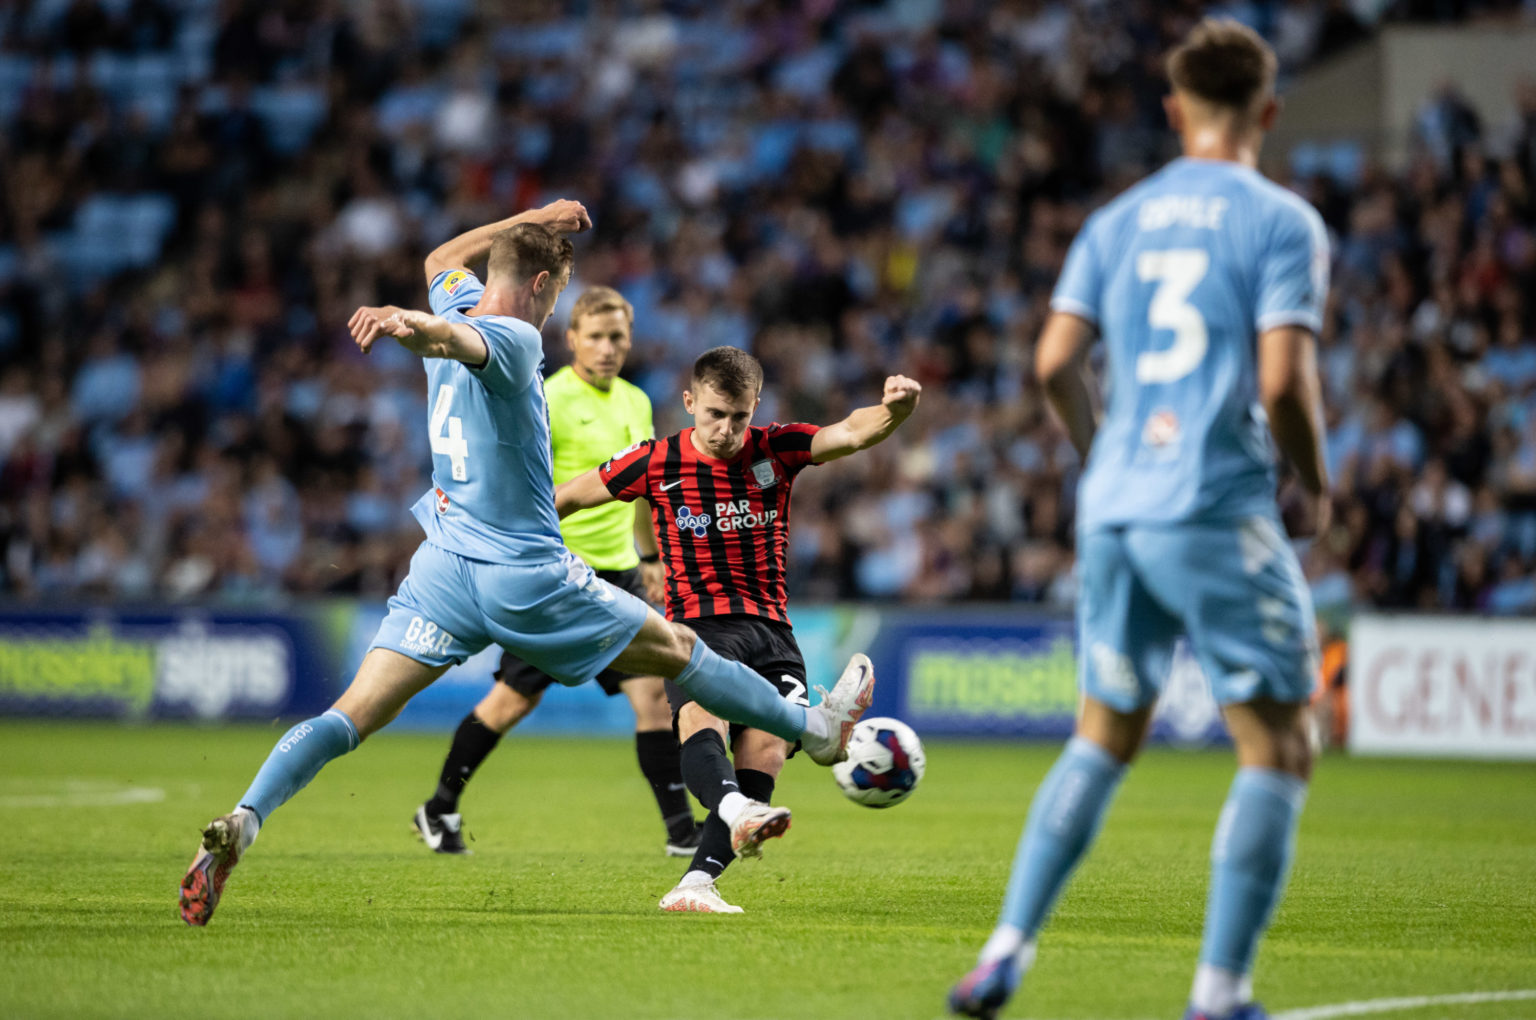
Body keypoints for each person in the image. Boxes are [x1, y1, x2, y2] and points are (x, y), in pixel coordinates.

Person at [178, 202, 877, 927]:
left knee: (348, 717)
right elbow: (458, 337)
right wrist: (410, 325)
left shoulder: (459, 292)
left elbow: (439, 260)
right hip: (526, 573)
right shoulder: (512, 338)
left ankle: (244, 818)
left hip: (443, 566)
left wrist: (530, 219)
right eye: (558, 295)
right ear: (543, 284)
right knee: (683, 651)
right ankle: (816, 730)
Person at [949, 19, 1330, 1020]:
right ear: (1268, 112)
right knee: (1279, 743)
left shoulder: (1114, 222)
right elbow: (1286, 380)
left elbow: (1051, 364)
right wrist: (1315, 480)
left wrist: (1101, 449)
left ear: (1173, 111)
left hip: (1113, 504)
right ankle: (1219, 992)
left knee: (1103, 735)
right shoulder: (1281, 219)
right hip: (1210, 502)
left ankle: (1004, 952)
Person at [557, 347, 922, 913]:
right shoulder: (654, 462)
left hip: (772, 629)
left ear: (756, 406)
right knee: (702, 721)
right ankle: (811, 745)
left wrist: (895, 411)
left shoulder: (776, 447)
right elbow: (567, 497)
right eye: (713, 415)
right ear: (689, 403)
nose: (726, 430)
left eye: (739, 417)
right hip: (698, 626)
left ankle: (695, 884)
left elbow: (849, 433)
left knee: (767, 751)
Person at [411, 285, 701, 858]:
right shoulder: (546, 398)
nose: (607, 347)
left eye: (617, 336)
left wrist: (648, 558)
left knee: (652, 698)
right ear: (570, 340)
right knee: (512, 702)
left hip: (618, 573)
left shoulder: (636, 402)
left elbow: (639, 488)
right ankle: (439, 806)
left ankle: (679, 832)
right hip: (555, 574)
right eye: (595, 336)